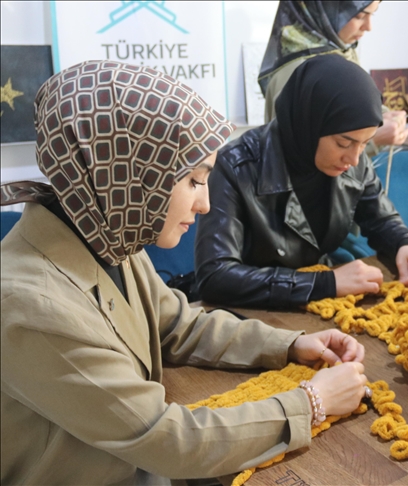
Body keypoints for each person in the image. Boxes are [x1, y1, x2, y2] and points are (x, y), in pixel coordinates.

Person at [0, 61, 369, 485]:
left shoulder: (104, 232)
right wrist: (311, 402)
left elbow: (177, 324)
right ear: (129, 174)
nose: (205, 204)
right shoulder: (32, 306)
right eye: (194, 180)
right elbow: (167, 440)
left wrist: (292, 344)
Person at [195, 55, 408, 309]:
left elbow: (381, 219)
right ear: (309, 123)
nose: (353, 158)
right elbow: (216, 276)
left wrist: (404, 245)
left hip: (313, 305)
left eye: (365, 143)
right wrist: (324, 283)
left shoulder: (353, 160)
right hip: (247, 314)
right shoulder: (235, 166)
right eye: (344, 143)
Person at [258, 0, 408, 150]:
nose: (369, 27)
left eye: (372, 15)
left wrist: (380, 116)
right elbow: (299, 155)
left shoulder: (342, 53)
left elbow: (347, 109)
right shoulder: (300, 70)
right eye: (359, 16)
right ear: (325, 8)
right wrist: (371, 139)